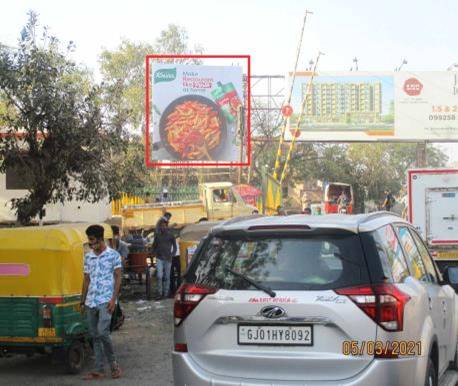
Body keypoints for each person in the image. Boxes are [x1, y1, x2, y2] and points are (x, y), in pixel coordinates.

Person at [81, 225, 122, 380]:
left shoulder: (113, 255)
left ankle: (114, 365)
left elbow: (118, 277)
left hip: (106, 300)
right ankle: (99, 369)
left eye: (92, 240)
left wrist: (113, 299)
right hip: (91, 301)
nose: (90, 244)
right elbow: (86, 279)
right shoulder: (88, 257)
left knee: (102, 332)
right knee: (94, 335)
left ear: (100, 238)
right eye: (89, 241)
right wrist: (82, 300)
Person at [108, 225, 129, 331]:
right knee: (113, 298)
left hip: (117, 275)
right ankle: (117, 317)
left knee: (115, 297)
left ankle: (116, 318)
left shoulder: (123, 246)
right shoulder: (107, 245)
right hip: (107, 276)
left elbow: (122, 260)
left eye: (115, 235)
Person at [152, 219, 177, 300]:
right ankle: (159, 293)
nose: (162, 227)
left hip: (168, 259)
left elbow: (175, 247)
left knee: (167, 276)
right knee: (159, 276)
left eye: (164, 226)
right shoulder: (157, 236)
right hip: (159, 258)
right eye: (161, 226)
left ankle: (166, 293)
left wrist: (172, 254)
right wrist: (154, 253)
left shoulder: (171, 235)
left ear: (166, 226)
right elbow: (153, 246)